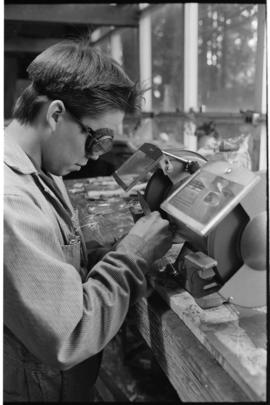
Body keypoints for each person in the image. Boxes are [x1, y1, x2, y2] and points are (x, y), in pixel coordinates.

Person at [4, 38, 174, 402]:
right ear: (55, 115)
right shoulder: (10, 202)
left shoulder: (40, 169)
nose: (96, 156)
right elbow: (69, 336)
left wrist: (97, 257)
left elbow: (53, 256)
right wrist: (132, 256)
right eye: (97, 140)